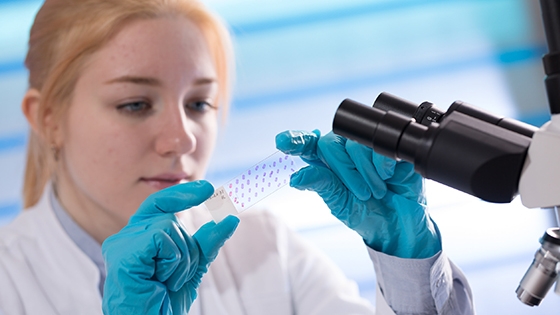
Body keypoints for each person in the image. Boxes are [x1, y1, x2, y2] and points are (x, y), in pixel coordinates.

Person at [0, 0, 474, 314]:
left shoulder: (266, 247)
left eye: (199, 104)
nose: (183, 140)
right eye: (135, 104)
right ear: (48, 120)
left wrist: (407, 257)